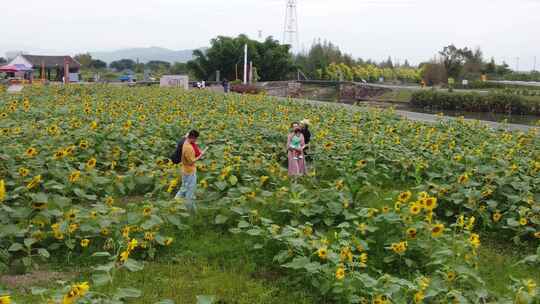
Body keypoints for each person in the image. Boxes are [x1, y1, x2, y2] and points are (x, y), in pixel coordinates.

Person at [175, 130, 206, 213]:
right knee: (190, 192)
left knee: (183, 188)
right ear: (193, 138)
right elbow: (191, 162)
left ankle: (175, 202)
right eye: (196, 139)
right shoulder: (188, 148)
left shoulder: (184, 141)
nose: (196, 141)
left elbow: (185, 135)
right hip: (190, 171)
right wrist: (201, 155)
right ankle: (191, 211)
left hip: (184, 170)